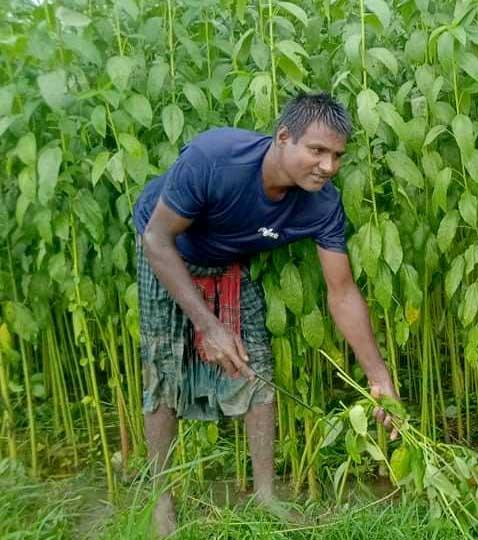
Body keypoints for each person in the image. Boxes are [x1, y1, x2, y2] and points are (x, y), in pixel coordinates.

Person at [132, 92, 399, 537]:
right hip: (166, 249)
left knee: (256, 367)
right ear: (282, 138)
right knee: (165, 368)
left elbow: (343, 291)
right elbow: (157, 240)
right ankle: (161, 501)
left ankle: (266, 495)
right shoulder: (214, 159)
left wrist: (378, 376)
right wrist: (208, 326)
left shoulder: (323, 203)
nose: (328, 166)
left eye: (337, 155)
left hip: (229, 259)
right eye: (317, 151)